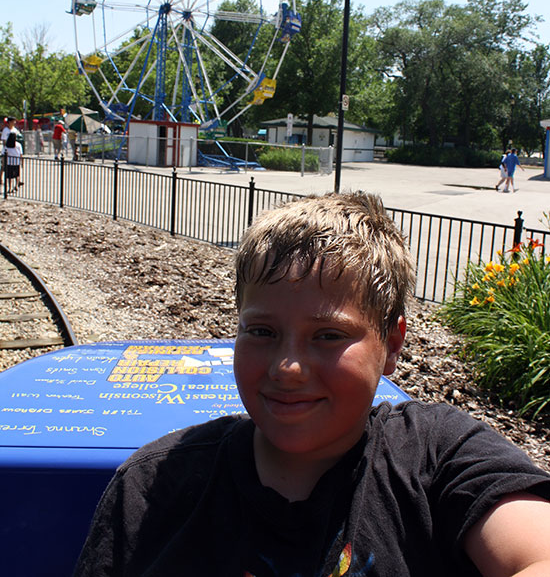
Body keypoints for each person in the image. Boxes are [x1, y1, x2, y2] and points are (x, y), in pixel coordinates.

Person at [74, 193, 550, 577]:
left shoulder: (438, 457)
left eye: (328, 336)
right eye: (262, 332)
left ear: (391, 342)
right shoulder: (154, 485)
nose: (287, 367)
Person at [0, 117, 17, 185]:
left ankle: (15, 180)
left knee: (13, 165)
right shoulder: (5, 130)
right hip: (6, 150)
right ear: (9, 122)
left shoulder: (15, 130)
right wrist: (6, 148)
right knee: (3, 165)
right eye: (13, 121)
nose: (14, 123)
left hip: (13, 150)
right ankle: (1, 178)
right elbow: (4, 140)